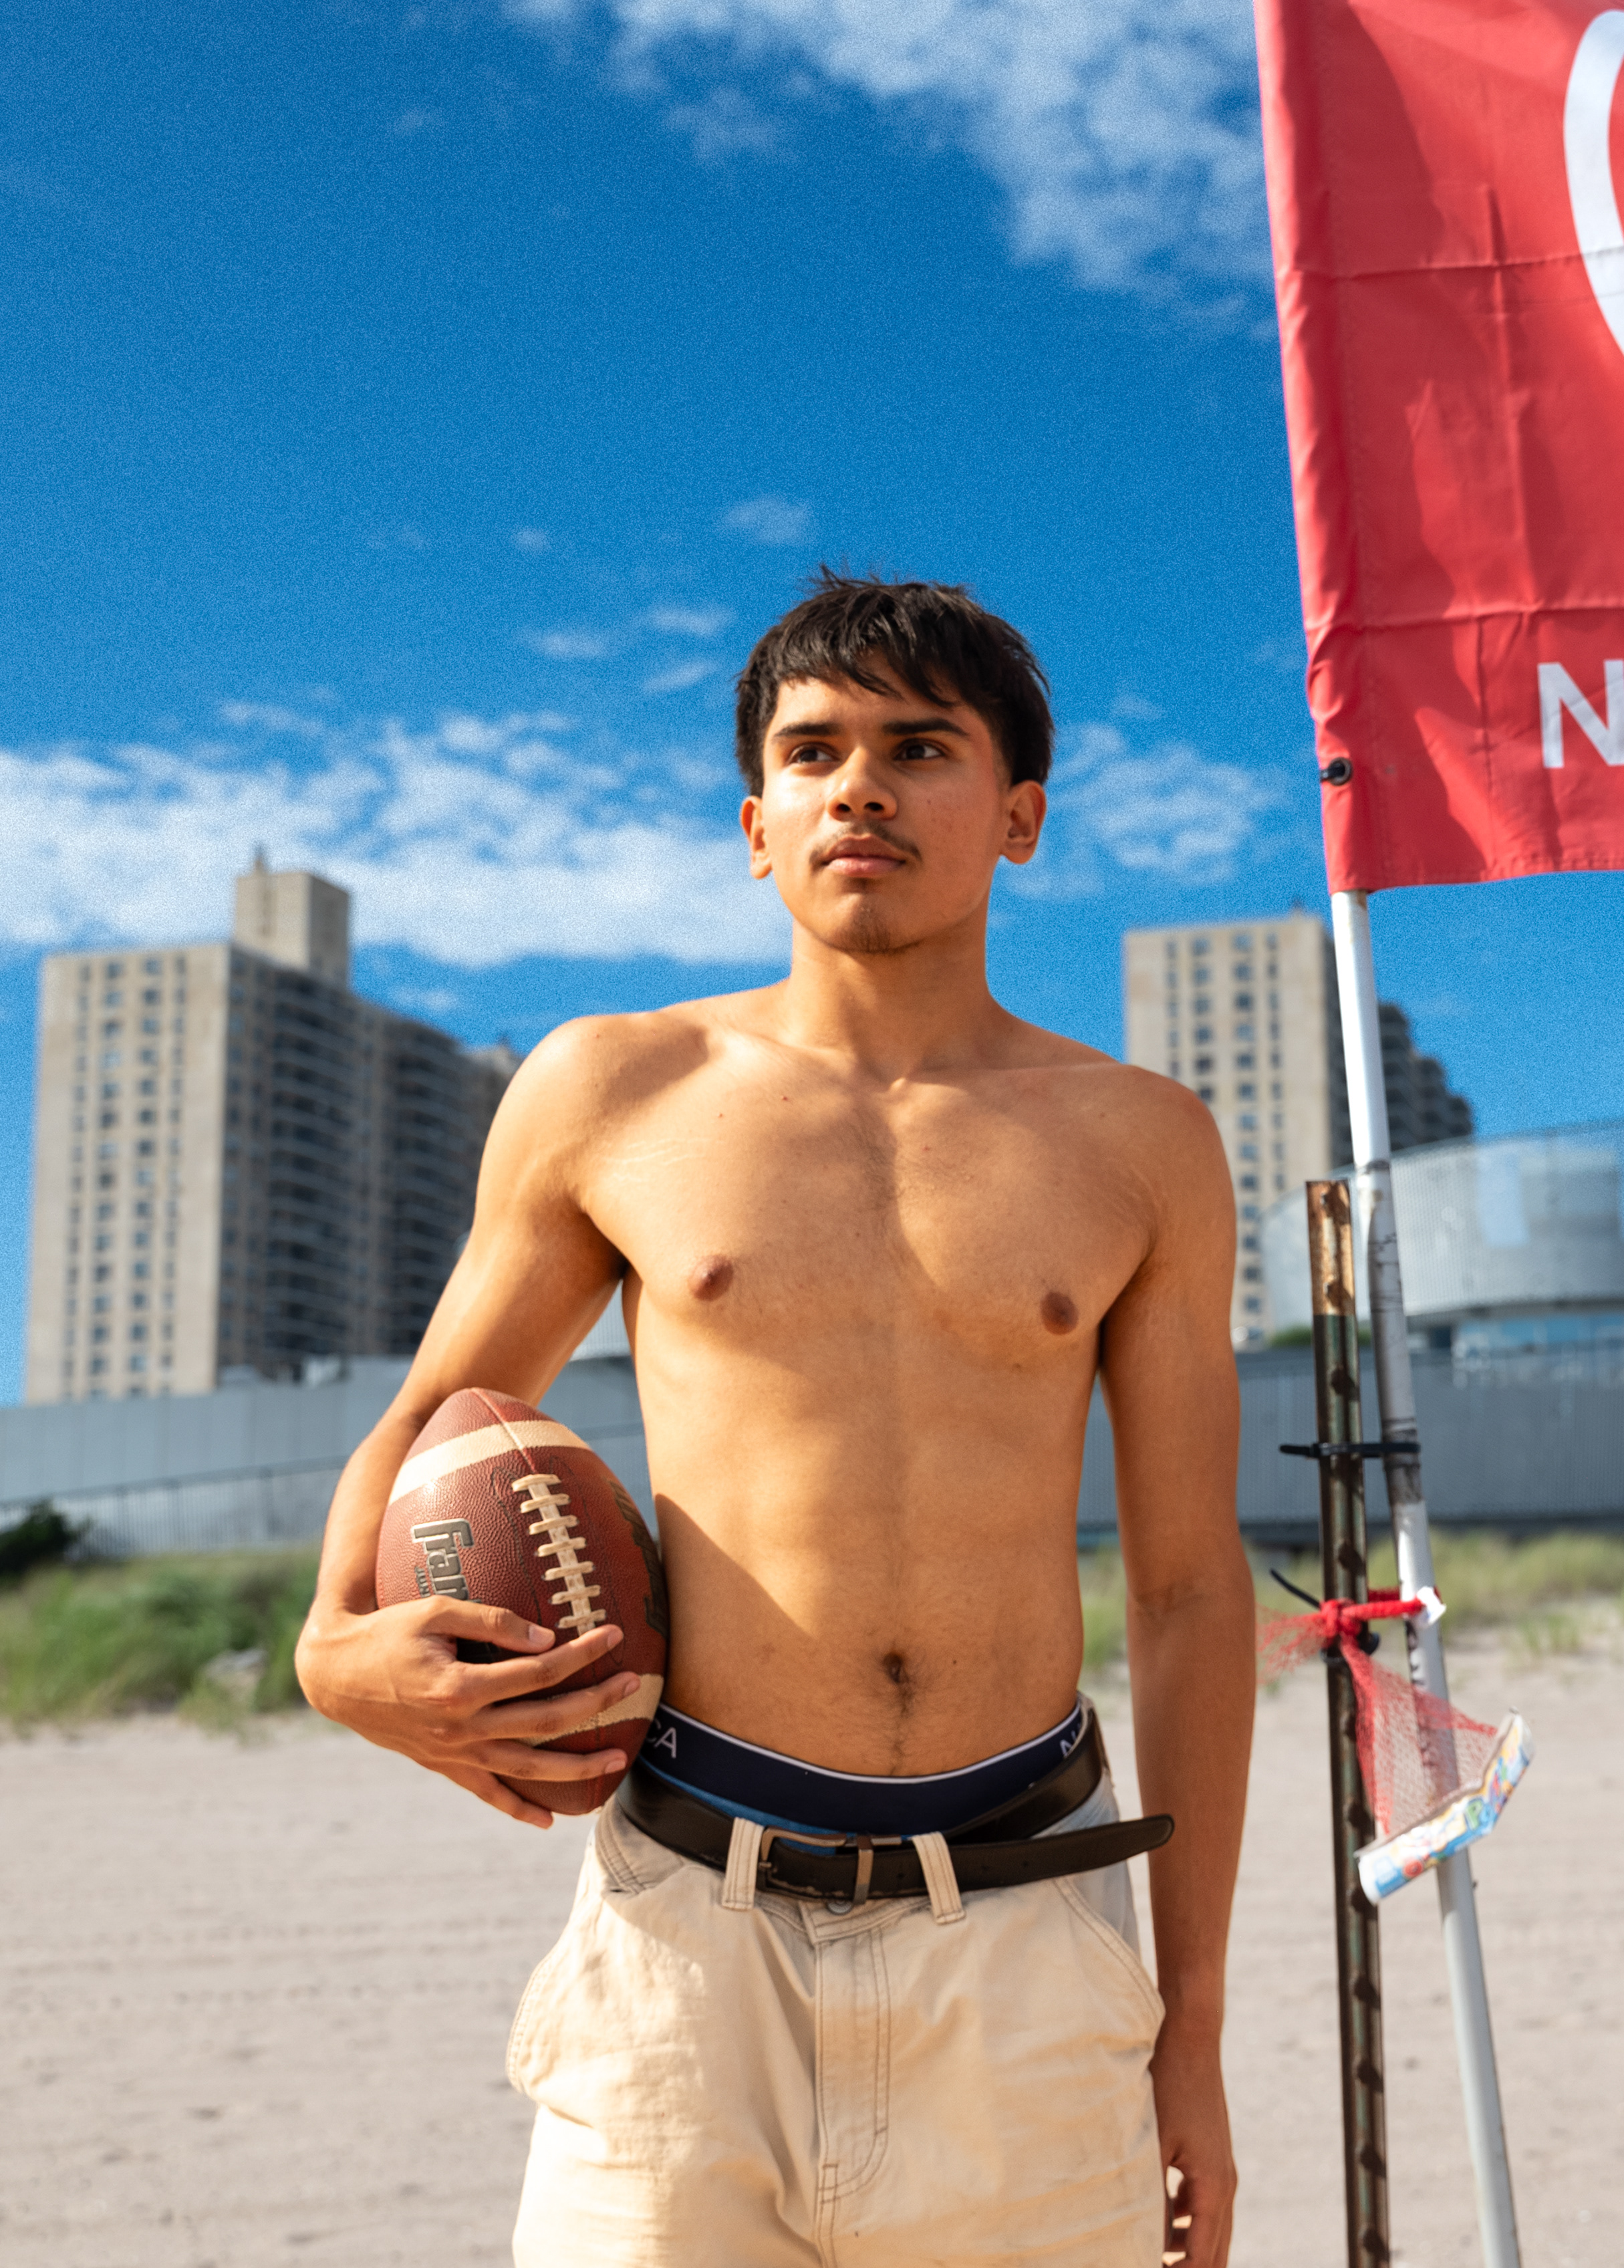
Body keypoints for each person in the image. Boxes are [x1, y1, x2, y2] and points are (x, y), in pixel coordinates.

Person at [295, 572, 1256, 2268]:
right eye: (813, 751)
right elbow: (439, 1407)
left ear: (1018, 815)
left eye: (919, 746)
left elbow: (1186, 1589)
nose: (859, 786)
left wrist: (1193, 2031)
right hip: (683, 1944)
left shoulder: (1141, 1142)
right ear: (757, 824)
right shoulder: (617, 1088)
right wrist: (328, 1648)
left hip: (1024, 1937)